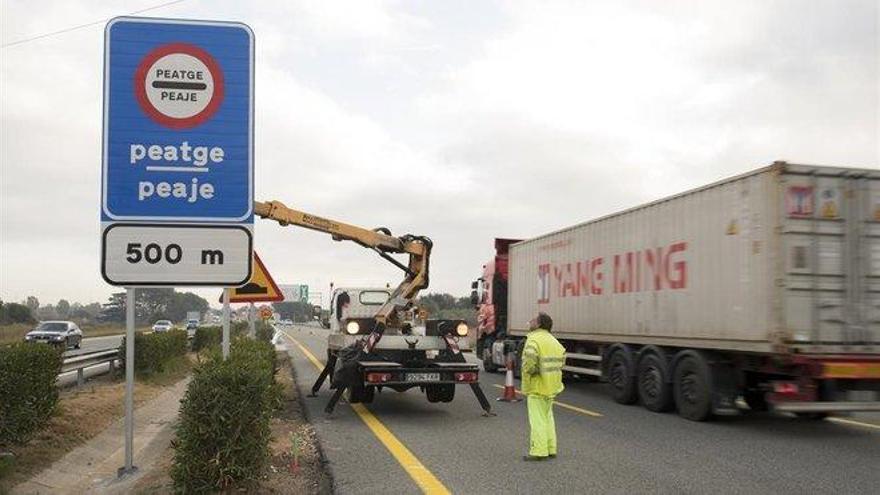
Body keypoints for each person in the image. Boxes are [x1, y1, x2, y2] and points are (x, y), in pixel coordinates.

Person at [521, 312, 565, 461]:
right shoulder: (554, 341)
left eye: (533, 320)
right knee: (548, 418)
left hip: (537, 386)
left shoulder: (533, 340)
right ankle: (551, 448)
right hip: (551, 386)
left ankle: (538, 451)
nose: (530, 321)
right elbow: (561, 361)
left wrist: (529, 371)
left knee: (537, 419)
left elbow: (530, 362)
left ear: (539, 324)